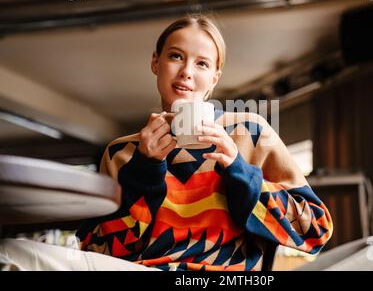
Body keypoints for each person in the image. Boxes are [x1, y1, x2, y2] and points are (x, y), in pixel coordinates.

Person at [0, 14, 333, 271]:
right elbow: (101, 252)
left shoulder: (249, 132)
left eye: (202, 63)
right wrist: (144, 169)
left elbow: (315, 231)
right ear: (155, 63)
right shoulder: (122, 152)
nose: (187, 71)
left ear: (214, 77)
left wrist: (239, 170)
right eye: (176, 56)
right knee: (10, 252)